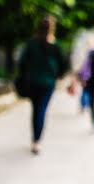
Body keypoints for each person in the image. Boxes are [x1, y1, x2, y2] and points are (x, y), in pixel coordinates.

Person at [17, 16, 68, 155]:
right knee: (42, 110)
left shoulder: (31, 43)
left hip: (32, 82)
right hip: (48, 83)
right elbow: (63, 65)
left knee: (36, 110)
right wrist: (58, 75)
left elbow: (21, 63)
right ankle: (37, 141)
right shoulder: (55, 46)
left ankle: (34, 140)